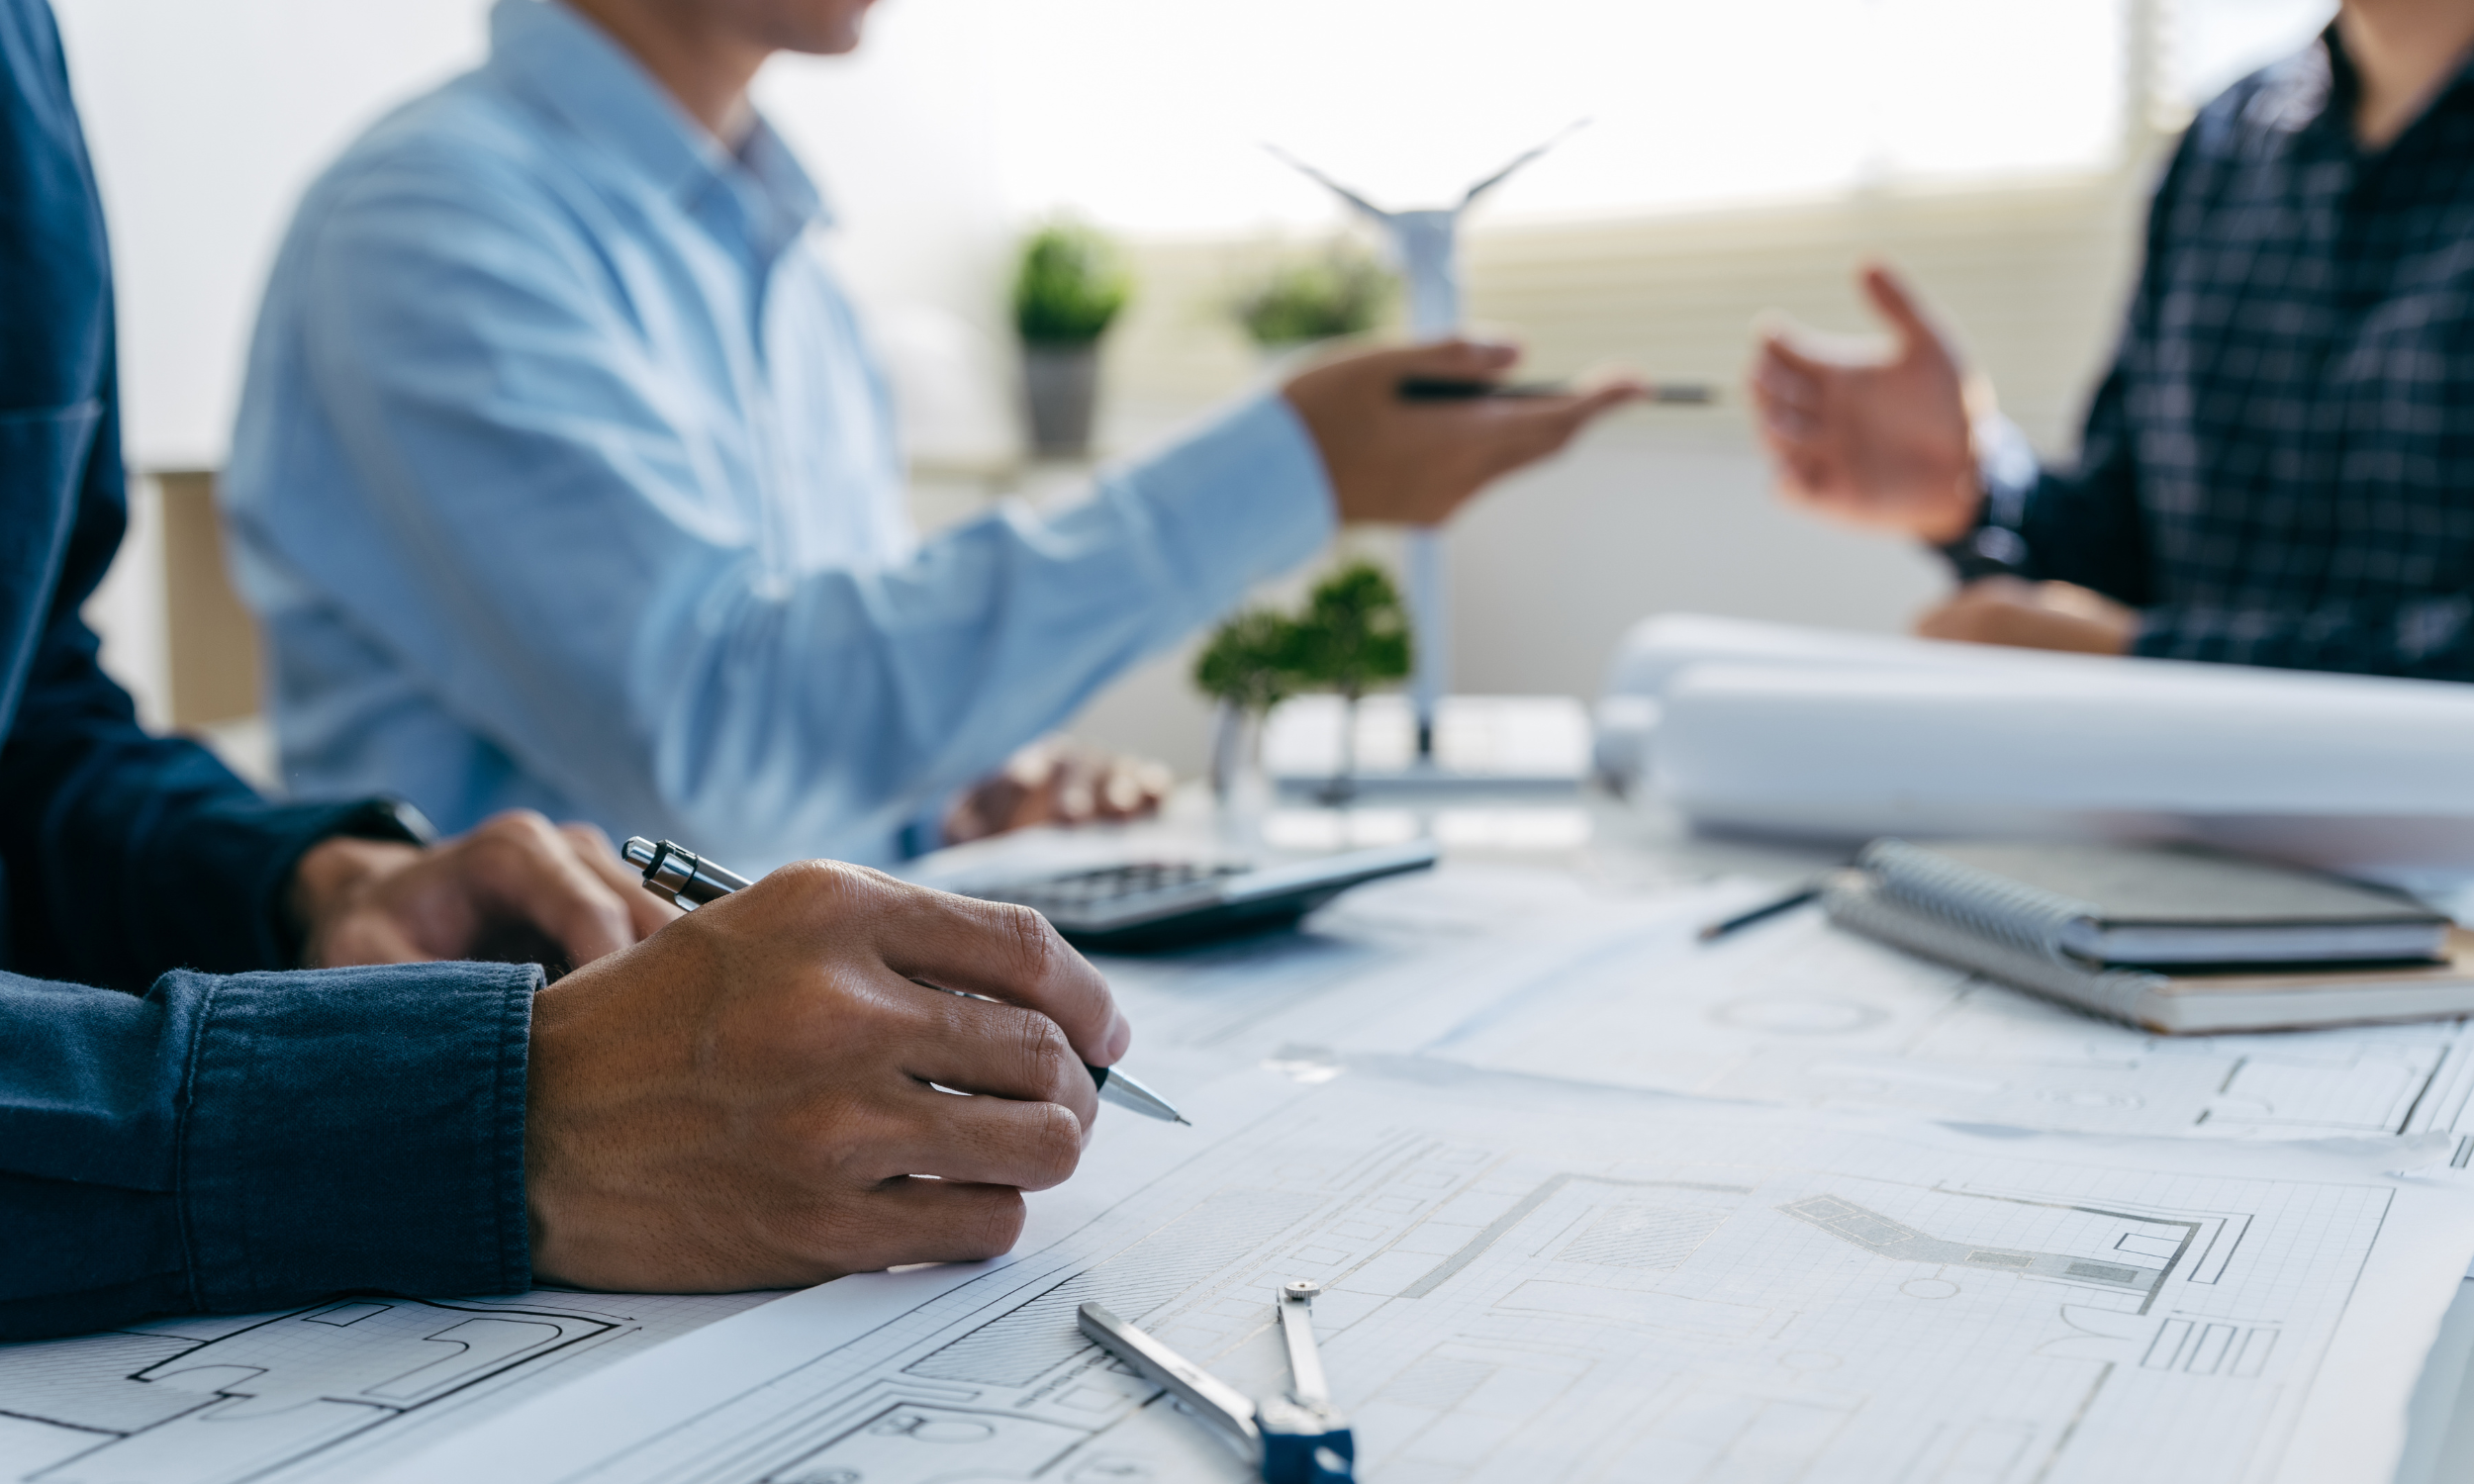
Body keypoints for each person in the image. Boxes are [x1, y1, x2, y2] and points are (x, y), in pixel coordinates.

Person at [2, 0, 1151, 1341]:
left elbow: (32, 724)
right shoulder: (429, 209)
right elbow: (725, 718)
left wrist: (297, 889)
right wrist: (479, 1115)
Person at [219, 0, 1635, 873]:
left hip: (779, 1072)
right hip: (543, 1125)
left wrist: (943, 808)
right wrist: (1292, 470)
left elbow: (803, 727)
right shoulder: (428, 222)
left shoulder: (805, 290)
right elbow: (722, 737)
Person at [1751, 0, 2474, 678]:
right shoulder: (2221, 147)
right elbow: (2128, 555)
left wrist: (2140, 656)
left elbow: (2124, 633)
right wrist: (1976, 491)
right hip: (2167, 808)